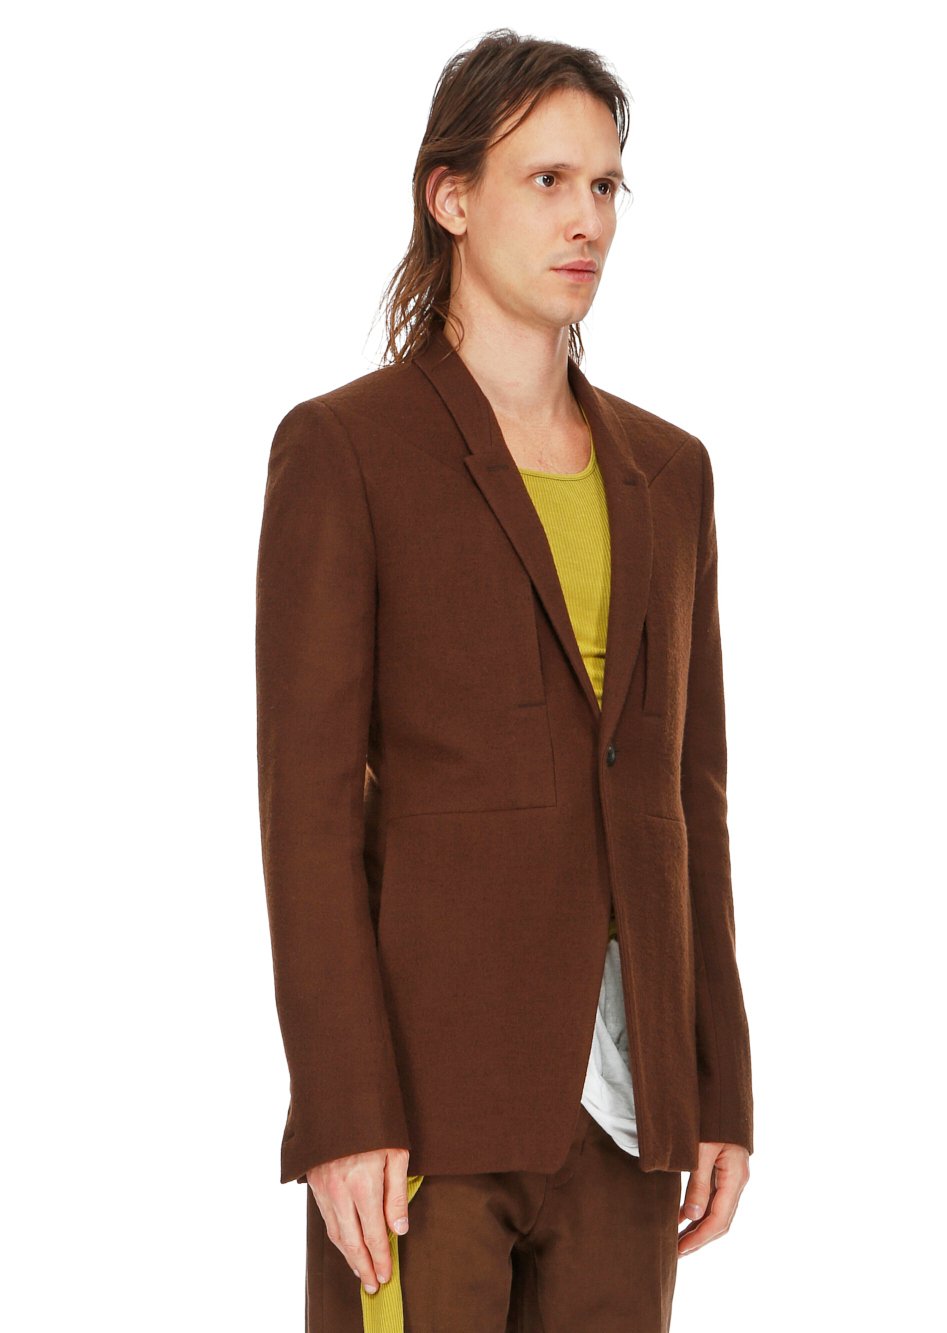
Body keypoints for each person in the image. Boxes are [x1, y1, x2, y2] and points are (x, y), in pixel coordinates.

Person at [255, 27, 754, 1332]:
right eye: (547, 181)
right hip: (425, 1112)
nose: (587, 218)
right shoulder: (347, 450)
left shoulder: (672, 473)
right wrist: (342, 1109)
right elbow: (306, 814)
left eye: (606, 185)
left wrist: (717, 1084)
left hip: (629, 1113)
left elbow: (690, 798)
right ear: (452, 196)